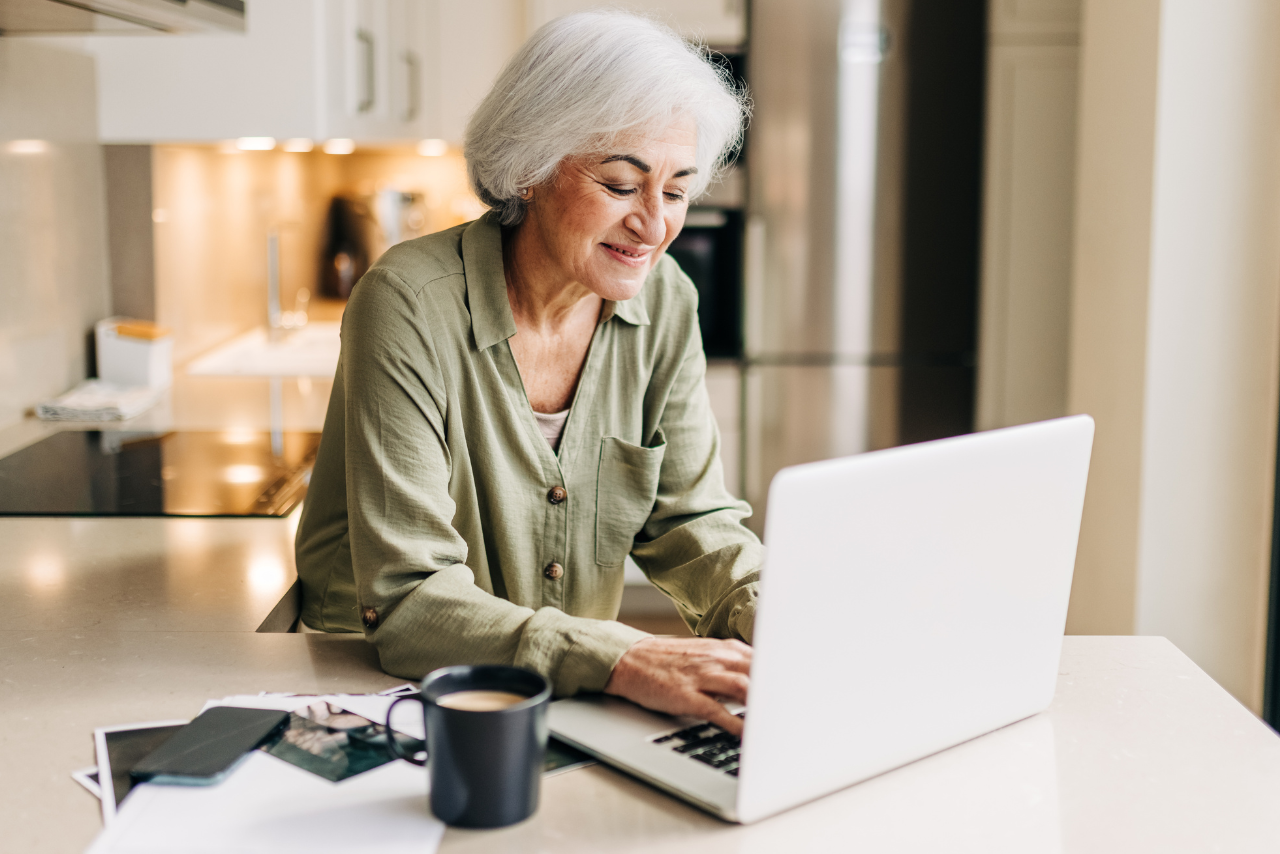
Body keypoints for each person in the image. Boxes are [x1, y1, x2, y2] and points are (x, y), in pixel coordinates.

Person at [295, 11, 759, 736]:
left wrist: (782, 619)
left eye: (675, 191)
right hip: (370, 691)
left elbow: (692, 522)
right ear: (530, 168)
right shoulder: (409, 302)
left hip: (560, 685)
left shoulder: (667, 300)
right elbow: (408, 595)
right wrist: (625, 657)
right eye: (619, 183)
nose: (654, 224)